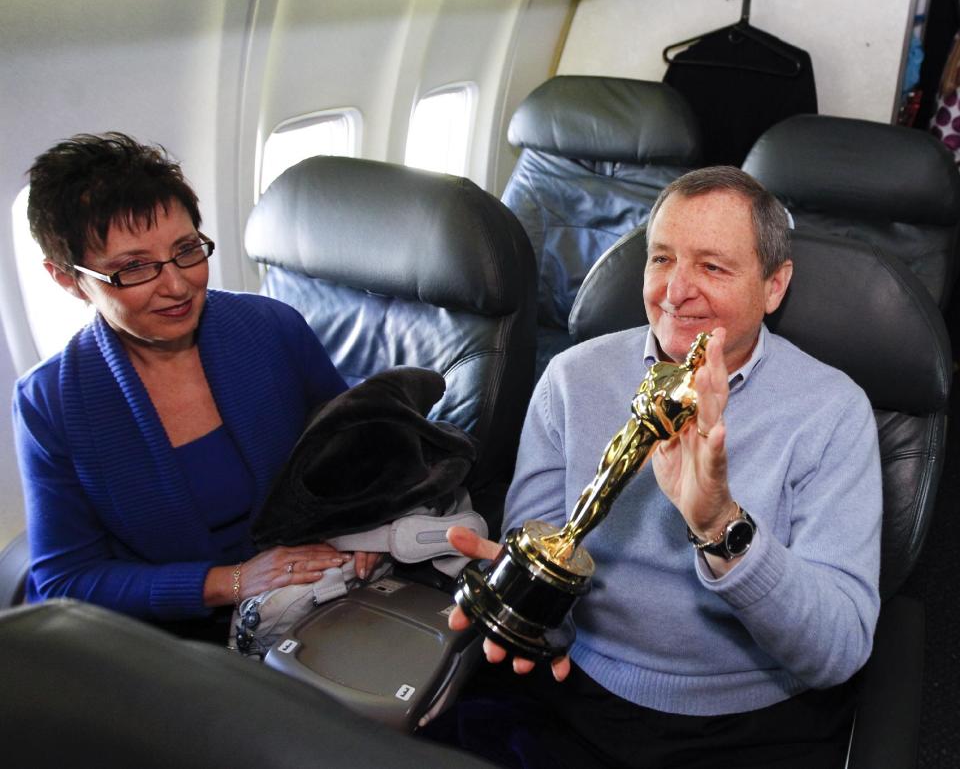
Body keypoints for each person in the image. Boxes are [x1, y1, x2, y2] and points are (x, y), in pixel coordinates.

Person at [439, 166, 882, 767]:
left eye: (713, 267)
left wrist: (722, 525)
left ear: (774, 286)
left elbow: (838, 649)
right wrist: (530, 611)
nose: (675, 291)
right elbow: (548, 554)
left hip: (754, 719)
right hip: (578, 691)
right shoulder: (571, 379)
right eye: (661, 259)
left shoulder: (833, 411)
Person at [12, 132, 380, 641]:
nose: (178, 284)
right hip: (168, 636)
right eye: (134, 267)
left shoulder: (272, 328)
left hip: (318, 593)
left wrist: (369, 525)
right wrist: (228, 582)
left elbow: (363, 452)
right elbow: (64, 579)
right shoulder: (51, 402)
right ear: (68, 279)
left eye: (187, 250)